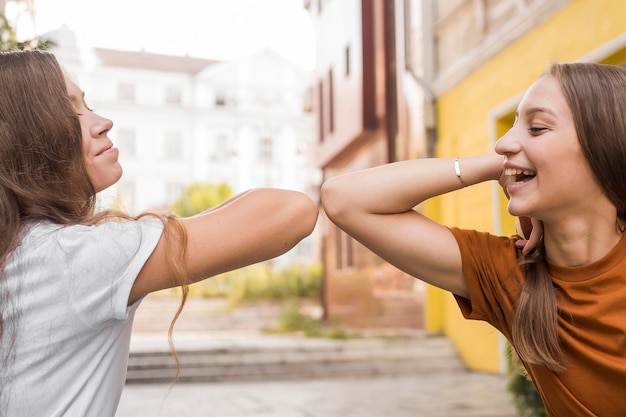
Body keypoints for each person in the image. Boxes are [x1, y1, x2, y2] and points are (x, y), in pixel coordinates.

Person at [0, 50, 319, 416]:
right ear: (26, 138)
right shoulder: (71, 258)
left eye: (89, 105)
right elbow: (292, 211)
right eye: (73, 112)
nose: (103, 122)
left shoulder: (20, 251)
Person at [321, 62, 626, 417]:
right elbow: (344, 199)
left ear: (604, 144)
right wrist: (496, 166)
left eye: (537, 128)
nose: (504, 142)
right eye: (512, 126)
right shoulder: (512, 276)